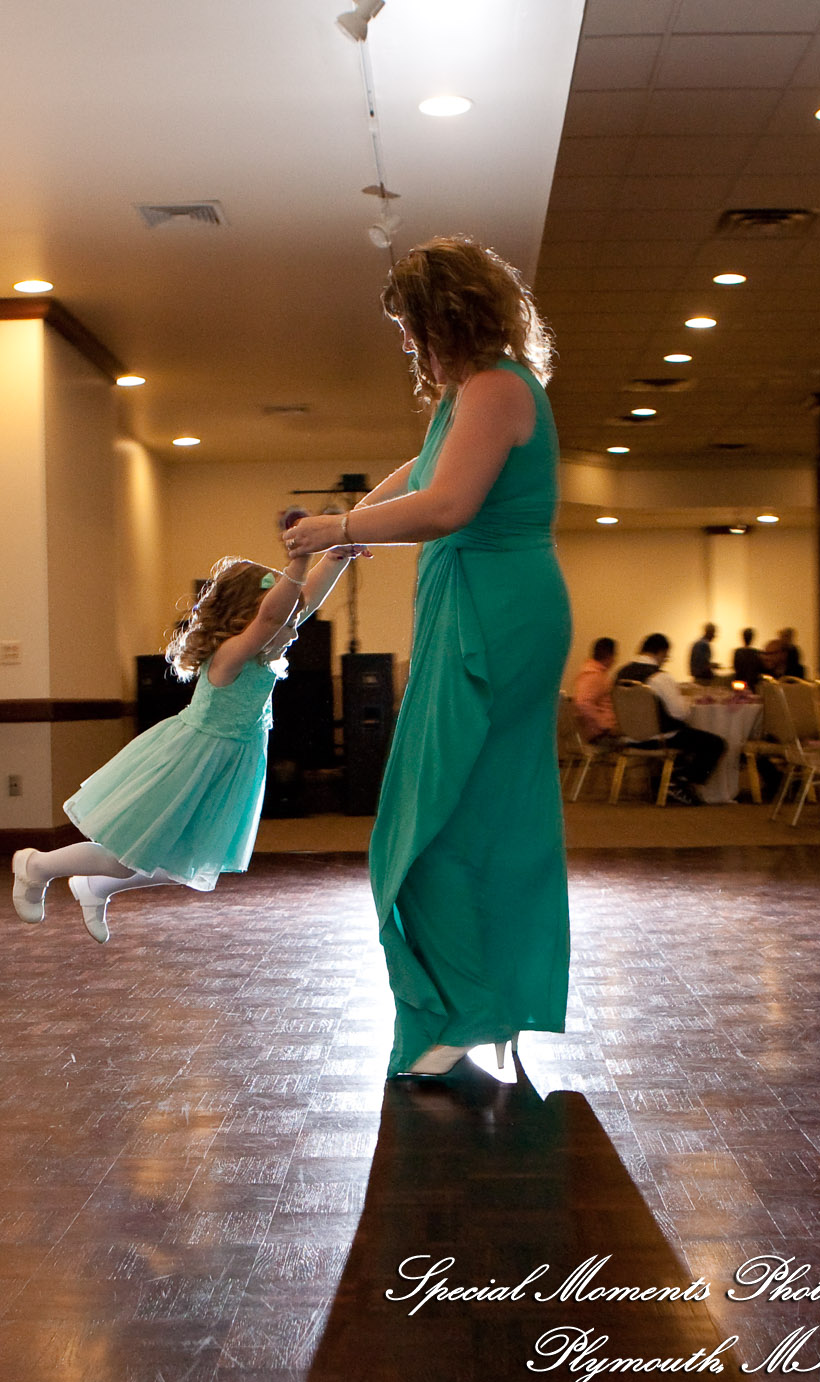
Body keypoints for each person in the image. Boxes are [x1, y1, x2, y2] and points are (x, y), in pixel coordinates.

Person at [285, 235, 570, 1079]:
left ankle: (469, 1010)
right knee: (447, 815)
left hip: (499, 613)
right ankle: (470, 1008)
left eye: (409, 325)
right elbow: (407, 484)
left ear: (442, 315)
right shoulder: (465, 394)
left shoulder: (496, 388)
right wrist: (328, 548)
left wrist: (336, 530)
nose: (406, 344)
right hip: (471, 605)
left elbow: (444, 505)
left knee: (438, 821)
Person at [11, 537, 361, 942]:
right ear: (249, 619)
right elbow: (271, 619)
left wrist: (337, 556)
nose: (294, 630)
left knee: (187, 860)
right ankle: (35, 865)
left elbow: (303, 601)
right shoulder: (233, 655)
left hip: (230, 764)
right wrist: (299, 561)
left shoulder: (265, 648)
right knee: (126, 853)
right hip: (189, 759)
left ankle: (95, 887)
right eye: (286, 621)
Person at [613, 633, 726, 803]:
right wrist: (687, 701)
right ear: (661, 652)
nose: (666, 659)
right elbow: (679, 713)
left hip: (628, 737)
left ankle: (665, 780)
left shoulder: (620, 674)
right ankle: (678, 780)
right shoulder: (660, 677)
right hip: (661, 738)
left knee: (689, 737)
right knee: (715, 744)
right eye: (666, 655)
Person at [572, 636, 618, 742]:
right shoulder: (595, 676)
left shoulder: (590, 672)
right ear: (610, 656)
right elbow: (582, 703)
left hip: (597, 732)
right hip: (600, 734)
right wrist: (604, 724)